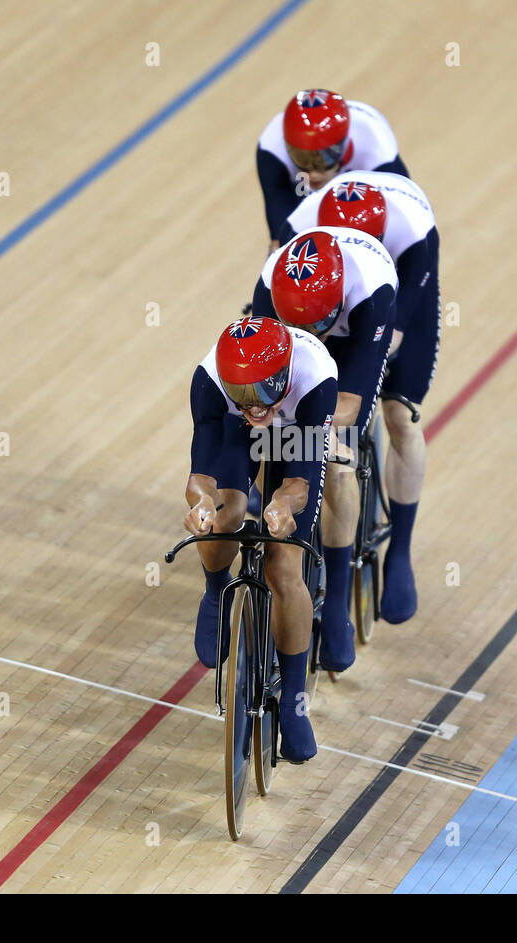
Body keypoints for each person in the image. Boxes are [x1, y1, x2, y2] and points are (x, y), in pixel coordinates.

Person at [277, 173, 439, 623]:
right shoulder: (294, 237)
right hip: (319, 301)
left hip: (384, 303)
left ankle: (400, 552)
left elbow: (387, 340)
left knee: (399, 414)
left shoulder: (410, 235)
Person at [186, 316, 338, 762]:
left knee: (283, 564)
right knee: (225, 513)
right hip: (237, 436)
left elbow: (299, 485)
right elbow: (202, 478)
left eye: (262, 394)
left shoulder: (315, 379)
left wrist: (281, 506)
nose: (255, 407)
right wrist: (200, 505)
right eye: (243, 396)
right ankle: (216, 593)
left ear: (284, 374)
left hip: (298, 428)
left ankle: (293, 700)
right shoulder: (211, 382)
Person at [250, 228, 397, 672]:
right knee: (266, 436)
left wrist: (317, 431)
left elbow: (349, 406)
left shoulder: (372, 294)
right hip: (299, 333)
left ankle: (336, 601)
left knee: (336, 459)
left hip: (353, 341)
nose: (308, 334)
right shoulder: (268, 287)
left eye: (315, 324)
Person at [256, 89, 409, 247]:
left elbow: (404, 219)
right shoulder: (271, 148)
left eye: (324, 158)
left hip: (366, 193)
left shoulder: (375, 146)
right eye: (300, 158)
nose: (313, 174)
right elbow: (279, 230)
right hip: (301, 191)